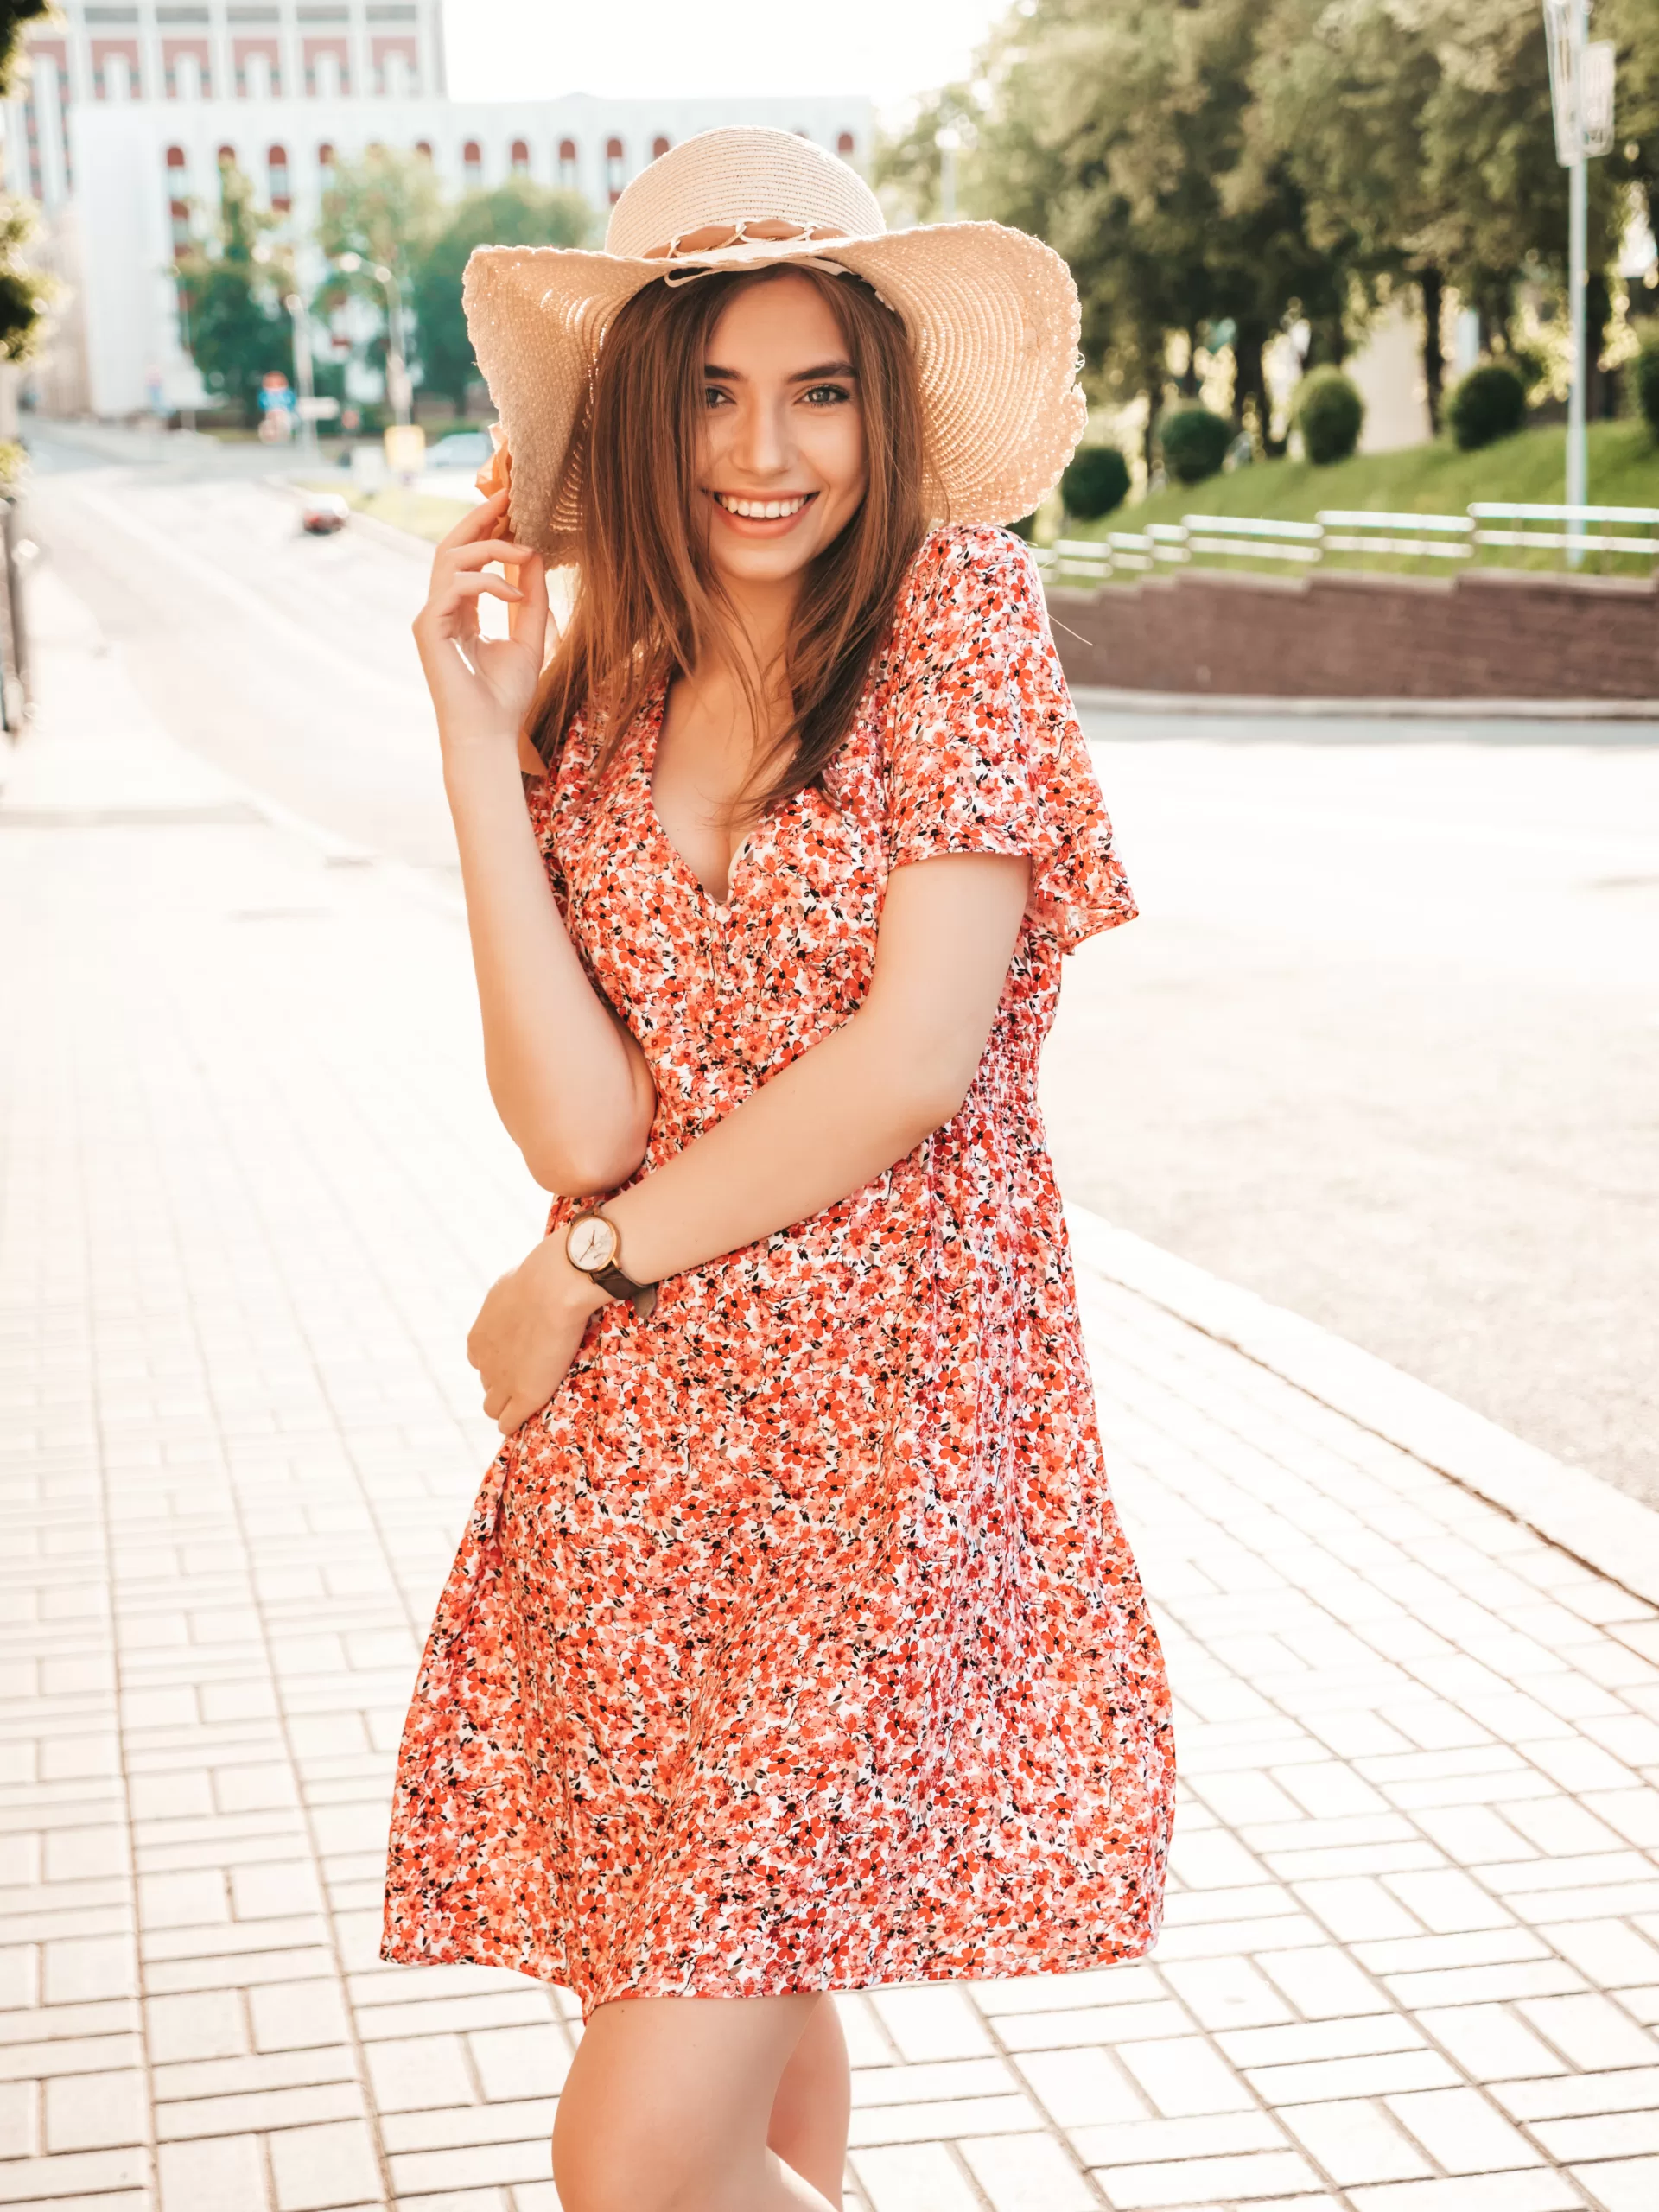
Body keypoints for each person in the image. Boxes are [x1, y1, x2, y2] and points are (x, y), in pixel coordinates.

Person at [382, 127, 1173, 2212]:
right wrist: (477, 744)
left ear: (883, 406)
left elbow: (915, 1061)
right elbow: (577, 1125)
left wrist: (588, 1270)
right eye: (716, 389)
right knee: (735, 2049)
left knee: (635, 2159)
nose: (769, 449)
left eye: (819, 386)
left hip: (887, 1428)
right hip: (644, 1461)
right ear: (642, 410)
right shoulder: (601, 688)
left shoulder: (959, 613)